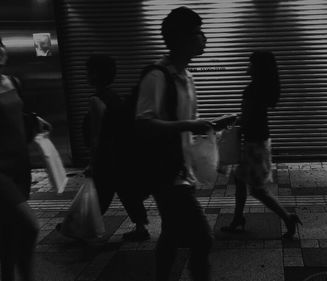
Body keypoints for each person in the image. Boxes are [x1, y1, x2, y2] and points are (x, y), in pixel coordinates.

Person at [134, 7, 213, 281]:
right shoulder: (157, 76)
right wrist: (190, 126)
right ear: (180, 39)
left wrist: (212, 127)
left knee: (170, 232)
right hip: (165, 174)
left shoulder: (187, 77)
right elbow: (143, 124)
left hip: (181, 169)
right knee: (202, 239)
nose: (203, 38)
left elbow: (187, 125)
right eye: (196, 33)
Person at [221, 51, 302, 239]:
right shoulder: (263, 88)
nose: (247, 65)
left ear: (257, 67)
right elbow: (252, 115)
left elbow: (248, 118)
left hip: (254, 145)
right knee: (240, 180)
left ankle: (288, 217)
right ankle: (238, 219)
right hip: (259, 142)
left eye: (250, 63)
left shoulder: (252, 89)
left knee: (258, 190)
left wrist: (232, 129)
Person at [83, 54, 150, 241]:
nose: (86, 76)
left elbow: (96, 136)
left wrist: (91, 163)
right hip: (121, 155)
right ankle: (140, 227)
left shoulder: (96, 100)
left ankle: (82, 226)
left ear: (96, 74)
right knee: (126, 192)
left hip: (107, 157)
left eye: (89, 72)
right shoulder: (114, 97)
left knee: (101, 195)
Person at [0, 36, 45, 281]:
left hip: (20, 167)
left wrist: (34, 120)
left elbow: (18, 113)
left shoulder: (12, 81)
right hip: (1, 171)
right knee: (30, 226)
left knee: (8, 233)